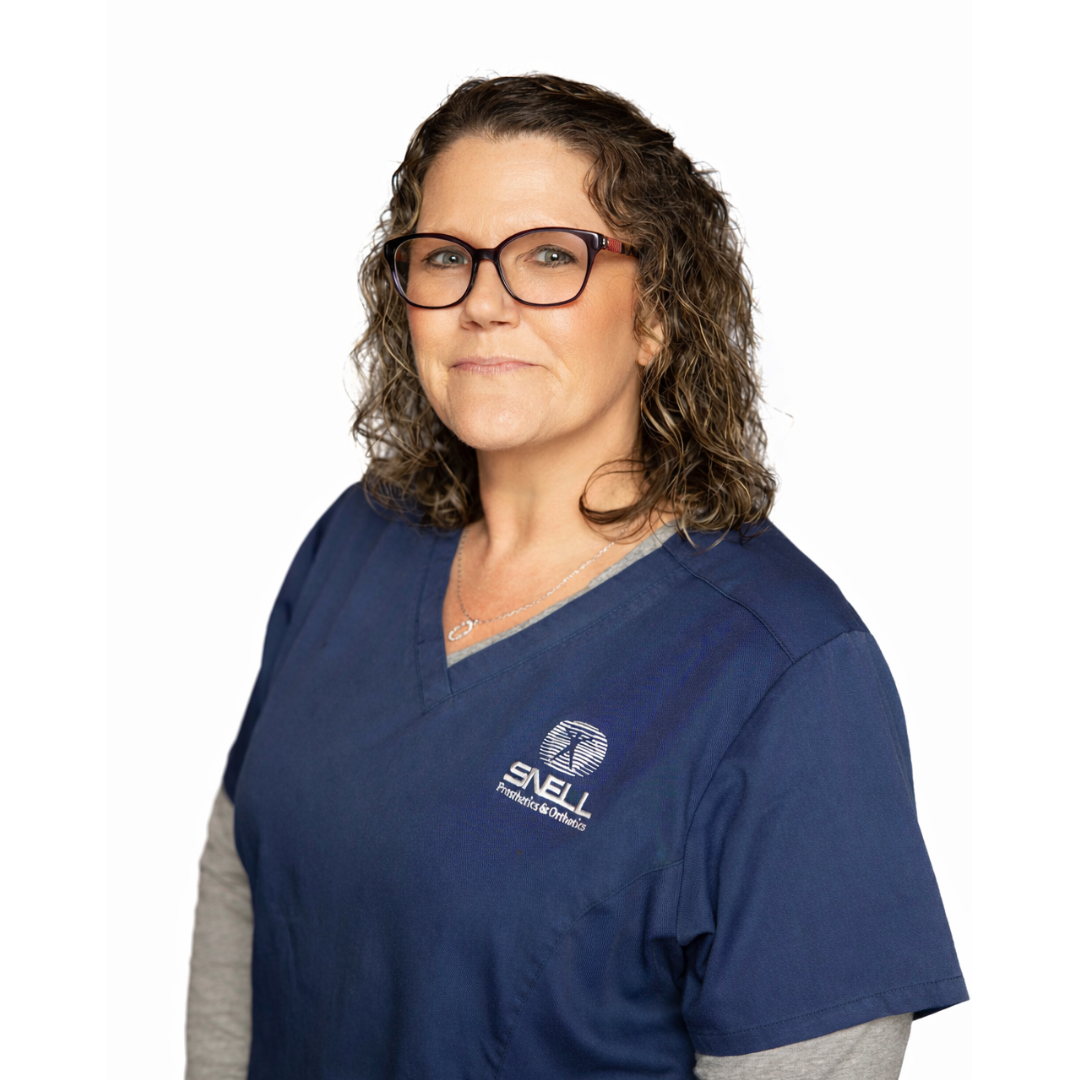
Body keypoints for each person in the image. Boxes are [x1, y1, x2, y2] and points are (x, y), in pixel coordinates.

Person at [186, 74, 967, 1079]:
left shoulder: (791, 675)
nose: (483, 304)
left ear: (657, 315)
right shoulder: (356, 541)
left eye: (550, 256)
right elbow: (242, 871)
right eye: (445, 257)